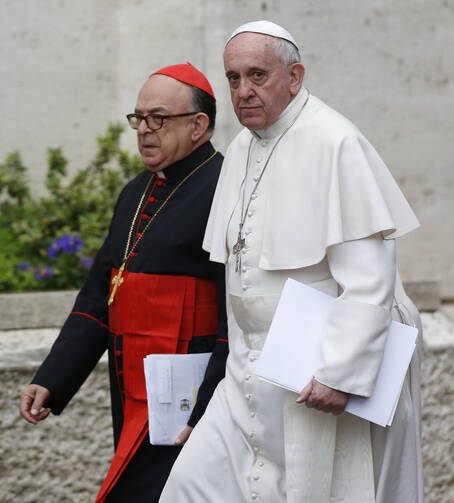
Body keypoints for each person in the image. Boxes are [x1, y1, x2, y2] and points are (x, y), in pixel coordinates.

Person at [159, 21, 423, 503]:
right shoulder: (241, 147)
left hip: (315, 368)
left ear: (294, 76)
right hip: (247, 372)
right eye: (234, 79)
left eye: (258, 75)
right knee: (190, 485)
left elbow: (370, 278)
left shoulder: (334, 141)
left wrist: (338, 373)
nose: (244, 91)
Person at [19, 62, 228, 503]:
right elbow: (100, 295)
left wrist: (209, 406)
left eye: (159, 118)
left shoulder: (226, 190)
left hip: (186, 403)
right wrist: (53, 378)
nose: (144, 130)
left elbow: (234, 320)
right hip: (131, 391)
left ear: (198, 125)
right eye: (139, 118)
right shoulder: (135, 192)